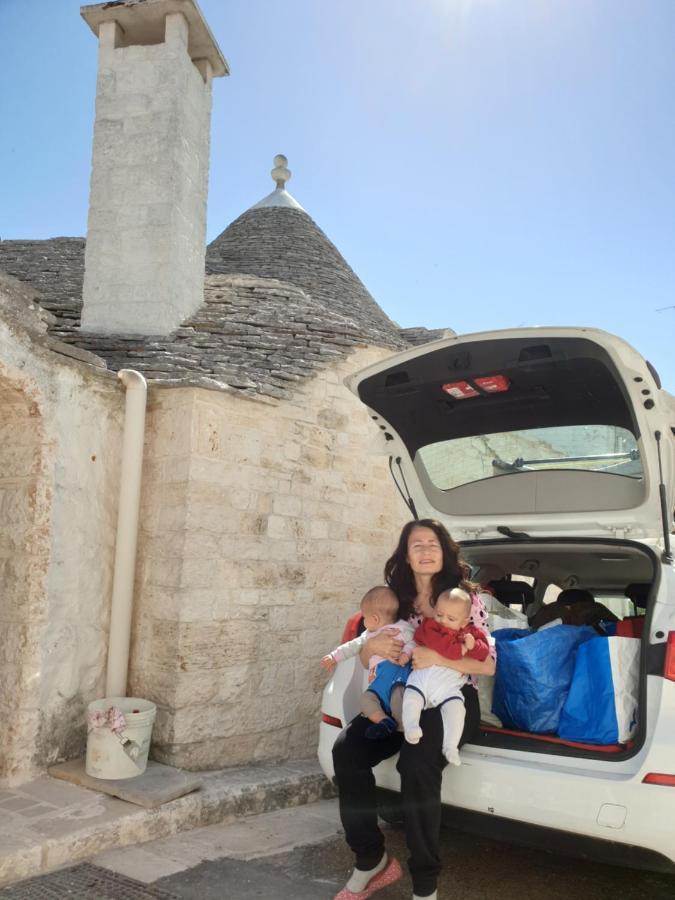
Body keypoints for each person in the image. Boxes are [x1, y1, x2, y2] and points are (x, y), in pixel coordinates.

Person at [332, 519, 496, 900]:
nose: (425, 550)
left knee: (416, 764)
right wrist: (371, 651)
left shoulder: (463, 599)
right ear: (405, 555)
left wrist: (438, 655)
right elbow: (366, 658)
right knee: (347, 750)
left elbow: (487, 665)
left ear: (445, 552)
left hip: (451, 696)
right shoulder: (393, 602)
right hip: (401, 693)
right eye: (416, 544)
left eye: (432, 543)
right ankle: (371, 859)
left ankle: (425, 883)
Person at [402, 587, 489, 765]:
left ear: (465, 621)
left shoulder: (470, 633)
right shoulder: (430, 626)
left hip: (449, 687)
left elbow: (484, 654)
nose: (443, 621)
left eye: (451, 618)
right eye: (439, 614)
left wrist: (474, 647)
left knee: (457, 709)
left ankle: (450, 747)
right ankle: (411, 727)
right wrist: (462, 650)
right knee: (411, 700)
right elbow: (440, 645)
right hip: (423, 680)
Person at [321, 586, 415, 738]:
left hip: (398, 682)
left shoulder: (403, 629)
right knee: (365, 700)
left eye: (364, 617)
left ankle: (405, 730)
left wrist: (406, 653)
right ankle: (384, 722)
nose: (363, 621)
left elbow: (414, 642)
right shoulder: (368, 635)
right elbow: (351, 646)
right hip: (378, 685)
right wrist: (334, 656)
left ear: (375, 619)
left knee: (399, 699)